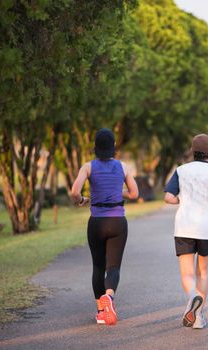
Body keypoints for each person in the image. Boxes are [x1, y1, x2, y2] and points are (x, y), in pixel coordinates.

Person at [164, 134, 208, 329]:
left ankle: (192, 296)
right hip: (206, 228)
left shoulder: (181, 171)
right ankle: (198, 318)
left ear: (193, 151)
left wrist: (182, 201)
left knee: (187, 274)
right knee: (202, 272)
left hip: (184, 227)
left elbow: (169, 197)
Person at [71, 128, 139, 326]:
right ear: (113, 147)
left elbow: (74, 192)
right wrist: (119, 191)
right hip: (118, 222)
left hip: (97, 222)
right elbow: (134, 193)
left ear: (95, 147)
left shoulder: (88, 167)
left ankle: (101, 311)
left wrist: (83, 199)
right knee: (114, 267)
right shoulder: (123, 167)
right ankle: (109, 296)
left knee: (98, 266)